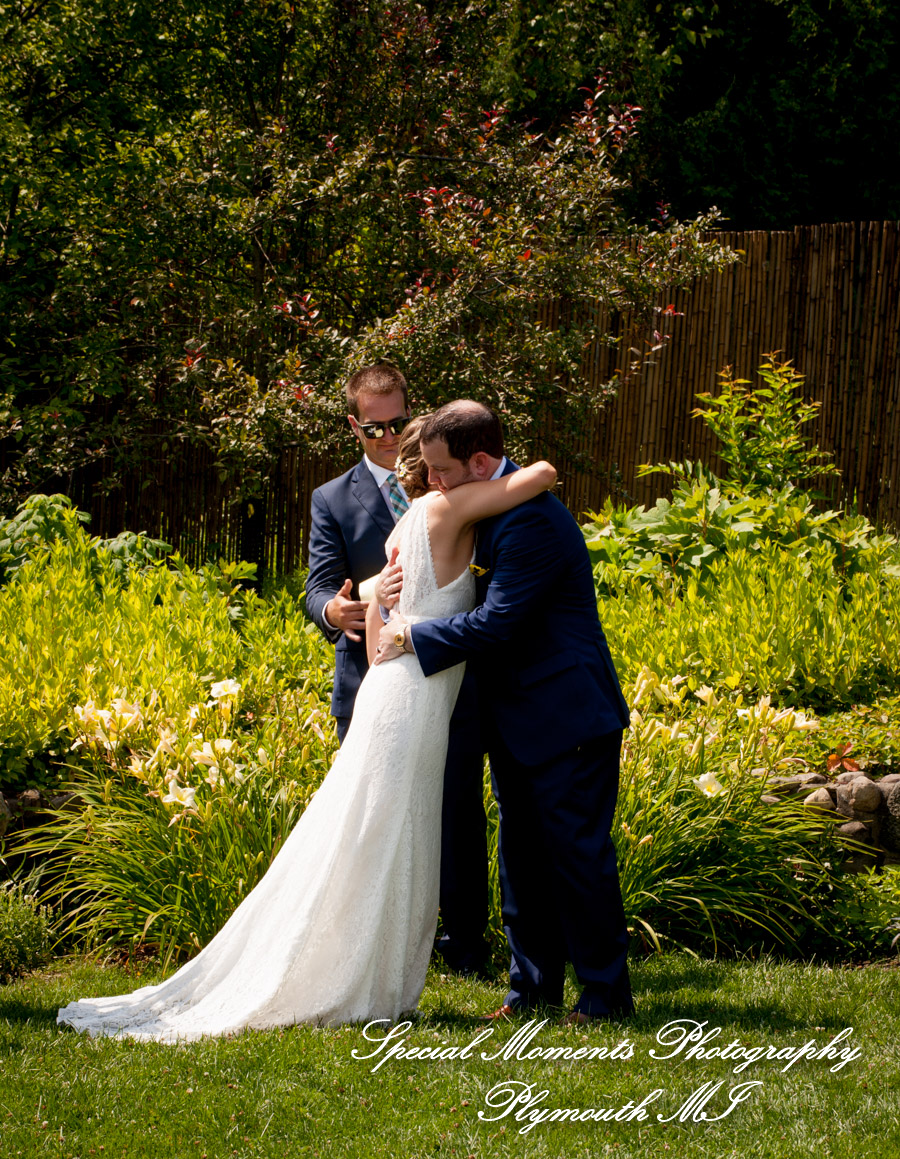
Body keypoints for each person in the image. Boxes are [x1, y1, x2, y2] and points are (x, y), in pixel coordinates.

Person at [56, 423, 556, 1040]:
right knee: (386, 828)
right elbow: (541, 475)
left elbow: (374, 623)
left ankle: (369, 975)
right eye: (431, 468)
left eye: (441, 467)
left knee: (373, 826)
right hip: (415, 699)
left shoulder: (407, 529)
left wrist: (388, 634)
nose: (437, 478)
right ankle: (355, 979)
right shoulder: (445, 506)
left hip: (393, 692)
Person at [375, 400, 634, 1024]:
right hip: (516, 720)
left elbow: (499, 624)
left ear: (483, 462)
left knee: (577, 858)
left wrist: (411, 635)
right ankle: (531, 992)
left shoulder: (532, 524)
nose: (433, 482)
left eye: (442, 470)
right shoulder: (492, 504)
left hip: (565, 716)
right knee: (522, 862)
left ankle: (604, 997)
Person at [306, 363, 488, 975]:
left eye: (397, 423)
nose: (386, 436)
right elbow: (316, 590)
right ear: (354, 426)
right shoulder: (331, 498)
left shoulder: (455, 485)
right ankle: (364, 945)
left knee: (456, 813)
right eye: (373, 427)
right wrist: (342, 607)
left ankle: (464, 946)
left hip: (447, 677)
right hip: (370, 684)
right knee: (372, 817)